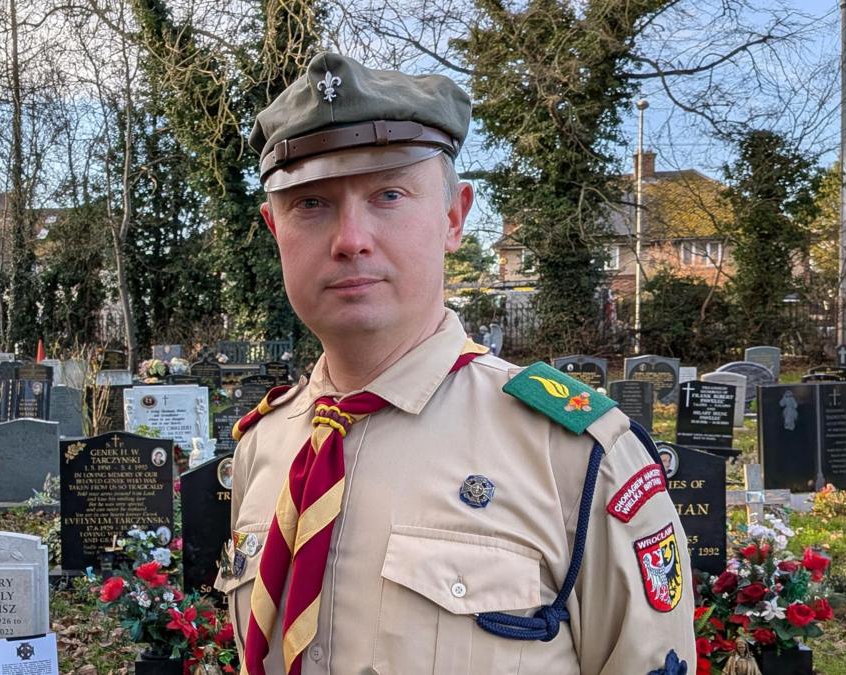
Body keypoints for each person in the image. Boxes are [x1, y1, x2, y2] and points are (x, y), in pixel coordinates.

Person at [216, 53, 696, 675]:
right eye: (310, 204)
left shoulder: (578, 454)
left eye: (389, 194)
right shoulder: (264, 445)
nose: (350, 238)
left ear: (453, 217)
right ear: (274, 229)